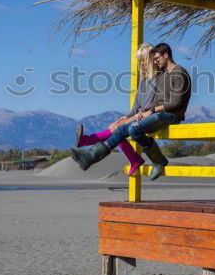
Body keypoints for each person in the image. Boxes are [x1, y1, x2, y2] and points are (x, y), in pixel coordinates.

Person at [70, 43, 192, 181]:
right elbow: (153, 101)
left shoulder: (178, 73)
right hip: (154, 113)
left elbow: (175, 102)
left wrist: (148, 110)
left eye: (156, 58)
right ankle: (89, 157)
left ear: (165, 55)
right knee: (122, 129)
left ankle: (158, 160)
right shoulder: (161, 76)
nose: (155, 61)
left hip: (170, 115)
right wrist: (140, 113)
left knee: (133, 129)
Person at [74, 43, 159, 176]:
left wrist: (137, 115)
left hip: (151, 116)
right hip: (140, 114)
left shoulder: (158, 78)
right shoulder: (144, 79)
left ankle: (87, 141)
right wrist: (127, 116)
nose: (141, 63)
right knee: (114, 125)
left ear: (151, 58)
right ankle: (134, 159)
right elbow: (138, 102)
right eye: (140, 59)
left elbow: (150, 104)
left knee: (116, 128)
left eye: (144, 59)